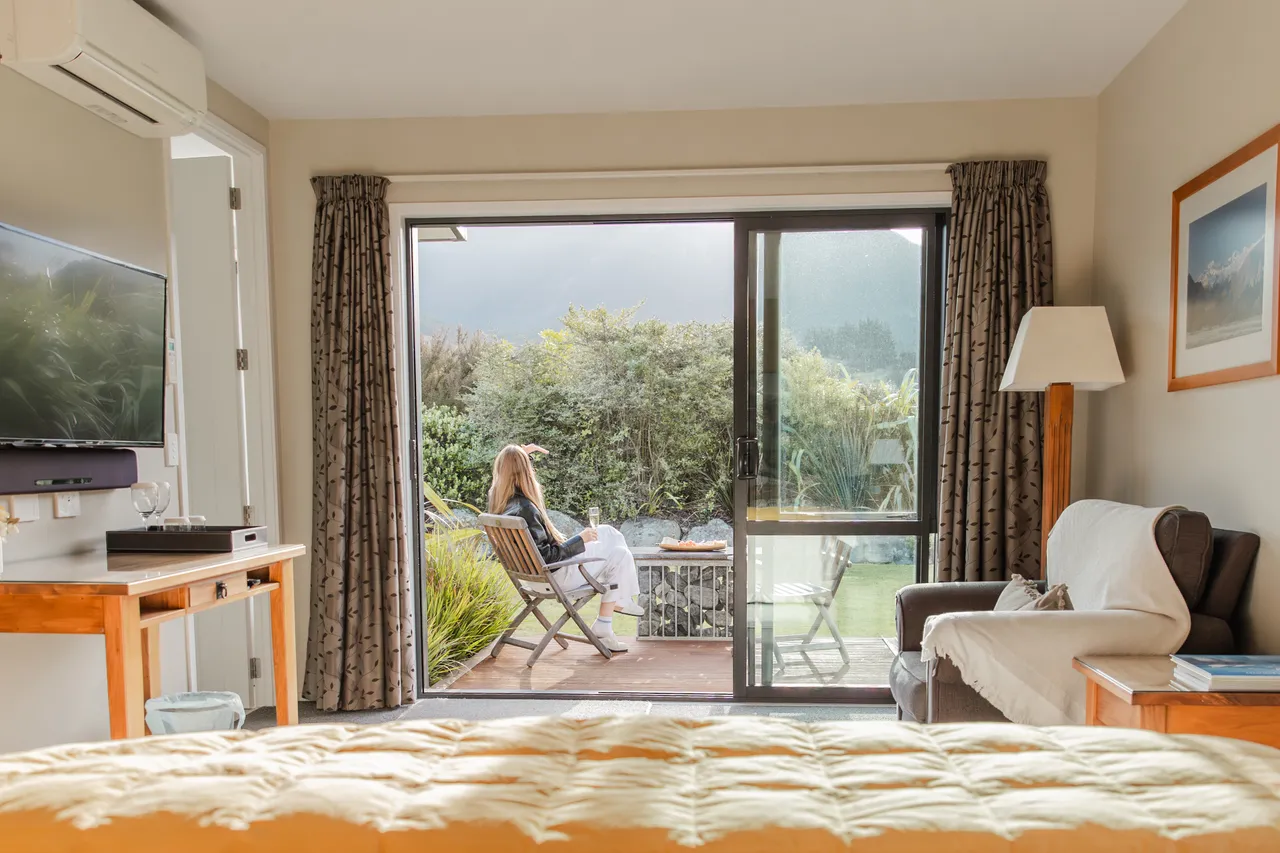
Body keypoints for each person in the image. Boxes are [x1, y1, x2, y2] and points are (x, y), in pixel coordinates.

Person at [488, 443, 641, 653]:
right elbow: (548, 558)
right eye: (530, 467)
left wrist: (521, 455)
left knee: (609, 533)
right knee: (619, 553)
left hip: (533, 579)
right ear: (525, 472)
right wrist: (580, 539)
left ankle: (615, 609)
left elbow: (508, 468)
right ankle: (618, 604)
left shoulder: (500, 503)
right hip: (557, 577)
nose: (533, 471)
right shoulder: (526, 509)